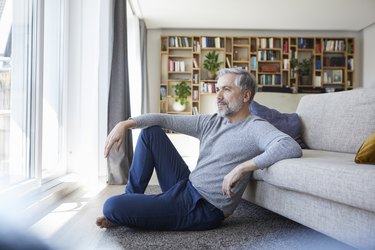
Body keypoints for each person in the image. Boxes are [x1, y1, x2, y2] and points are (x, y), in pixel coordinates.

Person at [96, 68, 302, 230]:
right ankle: (131, 200)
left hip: (203, 208)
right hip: (187, 186)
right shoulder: (211, 121)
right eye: (218, 89)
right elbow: (162, 118)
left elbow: (288, 145)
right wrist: (124, 124)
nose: (218, 95)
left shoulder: (255, 127)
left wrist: (244, 167)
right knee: (151, 132)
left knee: (111, 206)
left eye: (226, 89)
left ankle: (124, 209)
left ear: (246, 95)